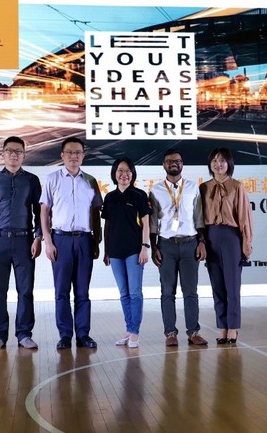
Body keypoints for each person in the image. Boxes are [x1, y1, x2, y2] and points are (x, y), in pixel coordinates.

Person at [0, 136, 42, 350]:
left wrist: (38, 237)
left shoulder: (31, 180)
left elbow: (39, 211)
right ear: (3, 154)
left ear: (24, 155)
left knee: (25, 290)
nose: (14, 155)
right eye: (10, 151)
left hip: (24, 241)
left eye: (18, 151)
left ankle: (24, 334)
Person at [40, 137, 103, 350]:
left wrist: (96, 242)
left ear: (83, 155)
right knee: (62, 291)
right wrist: (48, 242)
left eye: (78, 152)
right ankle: (65, 335)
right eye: (69, 152)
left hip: (84, 240)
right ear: (62, 155)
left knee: (83, 292)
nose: (74, 156)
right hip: (61, 240)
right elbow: (44, 212)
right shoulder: (52, 179)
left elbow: (96, 213)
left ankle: (83, 334)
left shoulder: (91, 181)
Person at [149, 149, 209, 347]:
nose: (173, 163)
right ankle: (170, 333)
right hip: (166, 245)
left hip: (190, 244)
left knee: (190, 291)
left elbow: (199, 217)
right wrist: (154, 247)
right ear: (163, 165)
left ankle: (193, 332)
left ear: (182, 164)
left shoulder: (193, 187)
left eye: (177, 161)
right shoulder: (156, 190)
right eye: (169, 161)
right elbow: (153, 223)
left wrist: (202, 242)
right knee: (167, 291)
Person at [199, 147, 253, 345]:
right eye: (214, 160)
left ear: (229, 163)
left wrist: (246, 243)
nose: (218, 164)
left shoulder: (237, 187)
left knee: (232, 285)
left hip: (231, 237)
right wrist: (201, 241)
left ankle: (233, 327)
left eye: (222, 160)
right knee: (217, 286)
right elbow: (199, 219)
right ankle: (222, 326)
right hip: (211, 236)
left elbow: (244, 218)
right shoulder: (203, 188)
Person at [102, 158, 153, 349]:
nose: (124, 174)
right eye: (120, 171)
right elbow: (107, 226)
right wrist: (106, 251)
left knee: (135, 293)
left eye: (128, 171)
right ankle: (129, 328)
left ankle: (134, 332)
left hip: (134, 250)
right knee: (123, 293)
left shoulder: (139, 195)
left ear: (133, 174)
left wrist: (145, 247)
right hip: (115, 252)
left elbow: (146, 224)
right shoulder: (109, 197)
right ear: (114, 174)